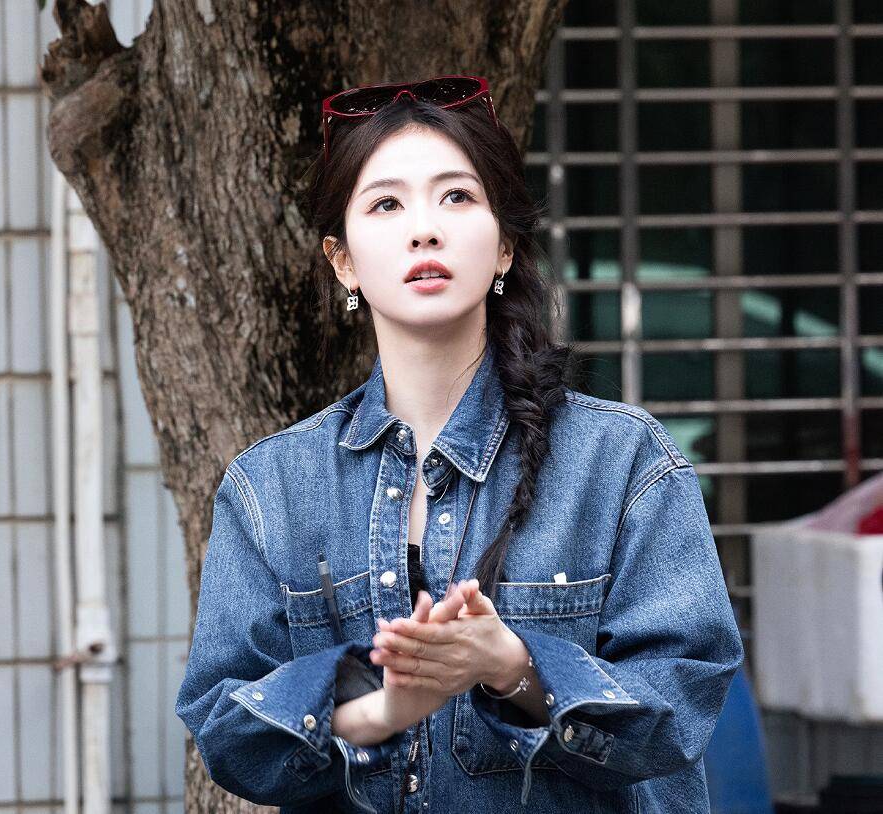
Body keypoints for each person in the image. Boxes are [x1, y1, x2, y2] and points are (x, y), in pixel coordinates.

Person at [175, 75, 744, 813]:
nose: (424, 229)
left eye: (456, 197)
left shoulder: (623, 461)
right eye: (386, 204)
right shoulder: (271, 485)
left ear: (504, 247)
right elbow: (227, 733)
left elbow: (684, 699)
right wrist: (379, 710)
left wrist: (515, 668)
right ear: (342, 260)